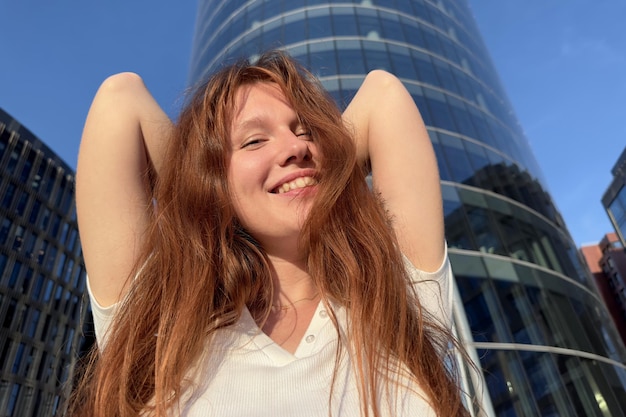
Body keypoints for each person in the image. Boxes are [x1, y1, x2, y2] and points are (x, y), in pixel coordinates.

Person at [69, 51, 469, 416]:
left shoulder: (393, 296)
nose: (296, 146)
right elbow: (120, 99)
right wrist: (202, 190)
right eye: (254, 140)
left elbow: (384, 94)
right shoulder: (167, 327)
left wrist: (322, 161)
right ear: (210, 180)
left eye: (307, 131)